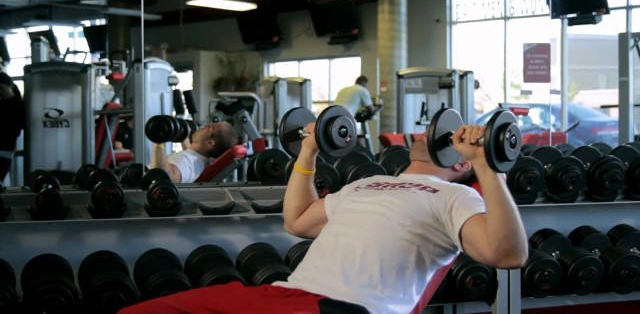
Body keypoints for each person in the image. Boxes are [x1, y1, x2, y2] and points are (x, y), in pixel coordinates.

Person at [119, 123, 528, 313]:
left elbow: (506, 254)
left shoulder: (456, 196)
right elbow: (296, 220)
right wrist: (309, 150)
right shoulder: (367, 183)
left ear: (461, 164)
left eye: (441, 134)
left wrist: (489, 166)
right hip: (282, 295)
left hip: (343, 309)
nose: (423, 133)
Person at [148, 121, 238, 184]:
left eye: (209, 127)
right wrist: (183, 136)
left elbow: (165, 176)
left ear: (210, 143)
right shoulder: (198, 159)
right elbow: (190, 153)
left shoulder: (190, 162)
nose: (204, 126)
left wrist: (159, 141)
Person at [0, 72, 25, 184]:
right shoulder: (16, 104)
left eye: (1, 88)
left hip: (4, 151)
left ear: (10, 87)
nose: (0, 92)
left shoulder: (14, 105)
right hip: (6, 152)